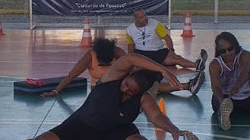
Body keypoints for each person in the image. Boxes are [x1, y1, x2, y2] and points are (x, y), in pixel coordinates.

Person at [0, 52, 202, 140]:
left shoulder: (143, 98)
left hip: (116, 133)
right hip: (82, 126)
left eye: (129, 89)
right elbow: (129, 58)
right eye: (125, 83)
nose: (124, 87)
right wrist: (162, 68)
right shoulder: (111, 79)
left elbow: (156, 117)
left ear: (138, 92)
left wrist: (174, 130)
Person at [41, 38, 204, 97]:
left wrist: (146, 74)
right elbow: (71, 75)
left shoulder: (117, 51)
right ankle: (187, 86)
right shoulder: (89, 56)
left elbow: (132, 63)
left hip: (123, 83)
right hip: (101, 87)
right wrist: (55, 91)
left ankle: (188, 86)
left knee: (144, 83)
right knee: (147, 89)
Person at [209, 32, 250, 130]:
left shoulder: (244, 55)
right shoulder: (215, 64)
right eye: (223, 51)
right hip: (225, 98)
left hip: (245, 98)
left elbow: (245, 73)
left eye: (230, 49)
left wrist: (235, 88)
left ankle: (226, 113)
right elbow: (216, 86)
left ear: (235, 46)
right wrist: (222, 101)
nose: (227, 53)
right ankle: (225, 111)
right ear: (218, 51)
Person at [125, 8, 208, 72]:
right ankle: (196, 65)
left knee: (177, 58)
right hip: (142, 54)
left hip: (158, 52)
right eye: (142, 17)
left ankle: (197, 65)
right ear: (136, 19)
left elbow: (167, 38)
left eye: (145, 15)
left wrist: (171, 50)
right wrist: (131, 61)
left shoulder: (155, 24)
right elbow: (130, 47)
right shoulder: (129, 30)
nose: (145, 18)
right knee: (175, 60)